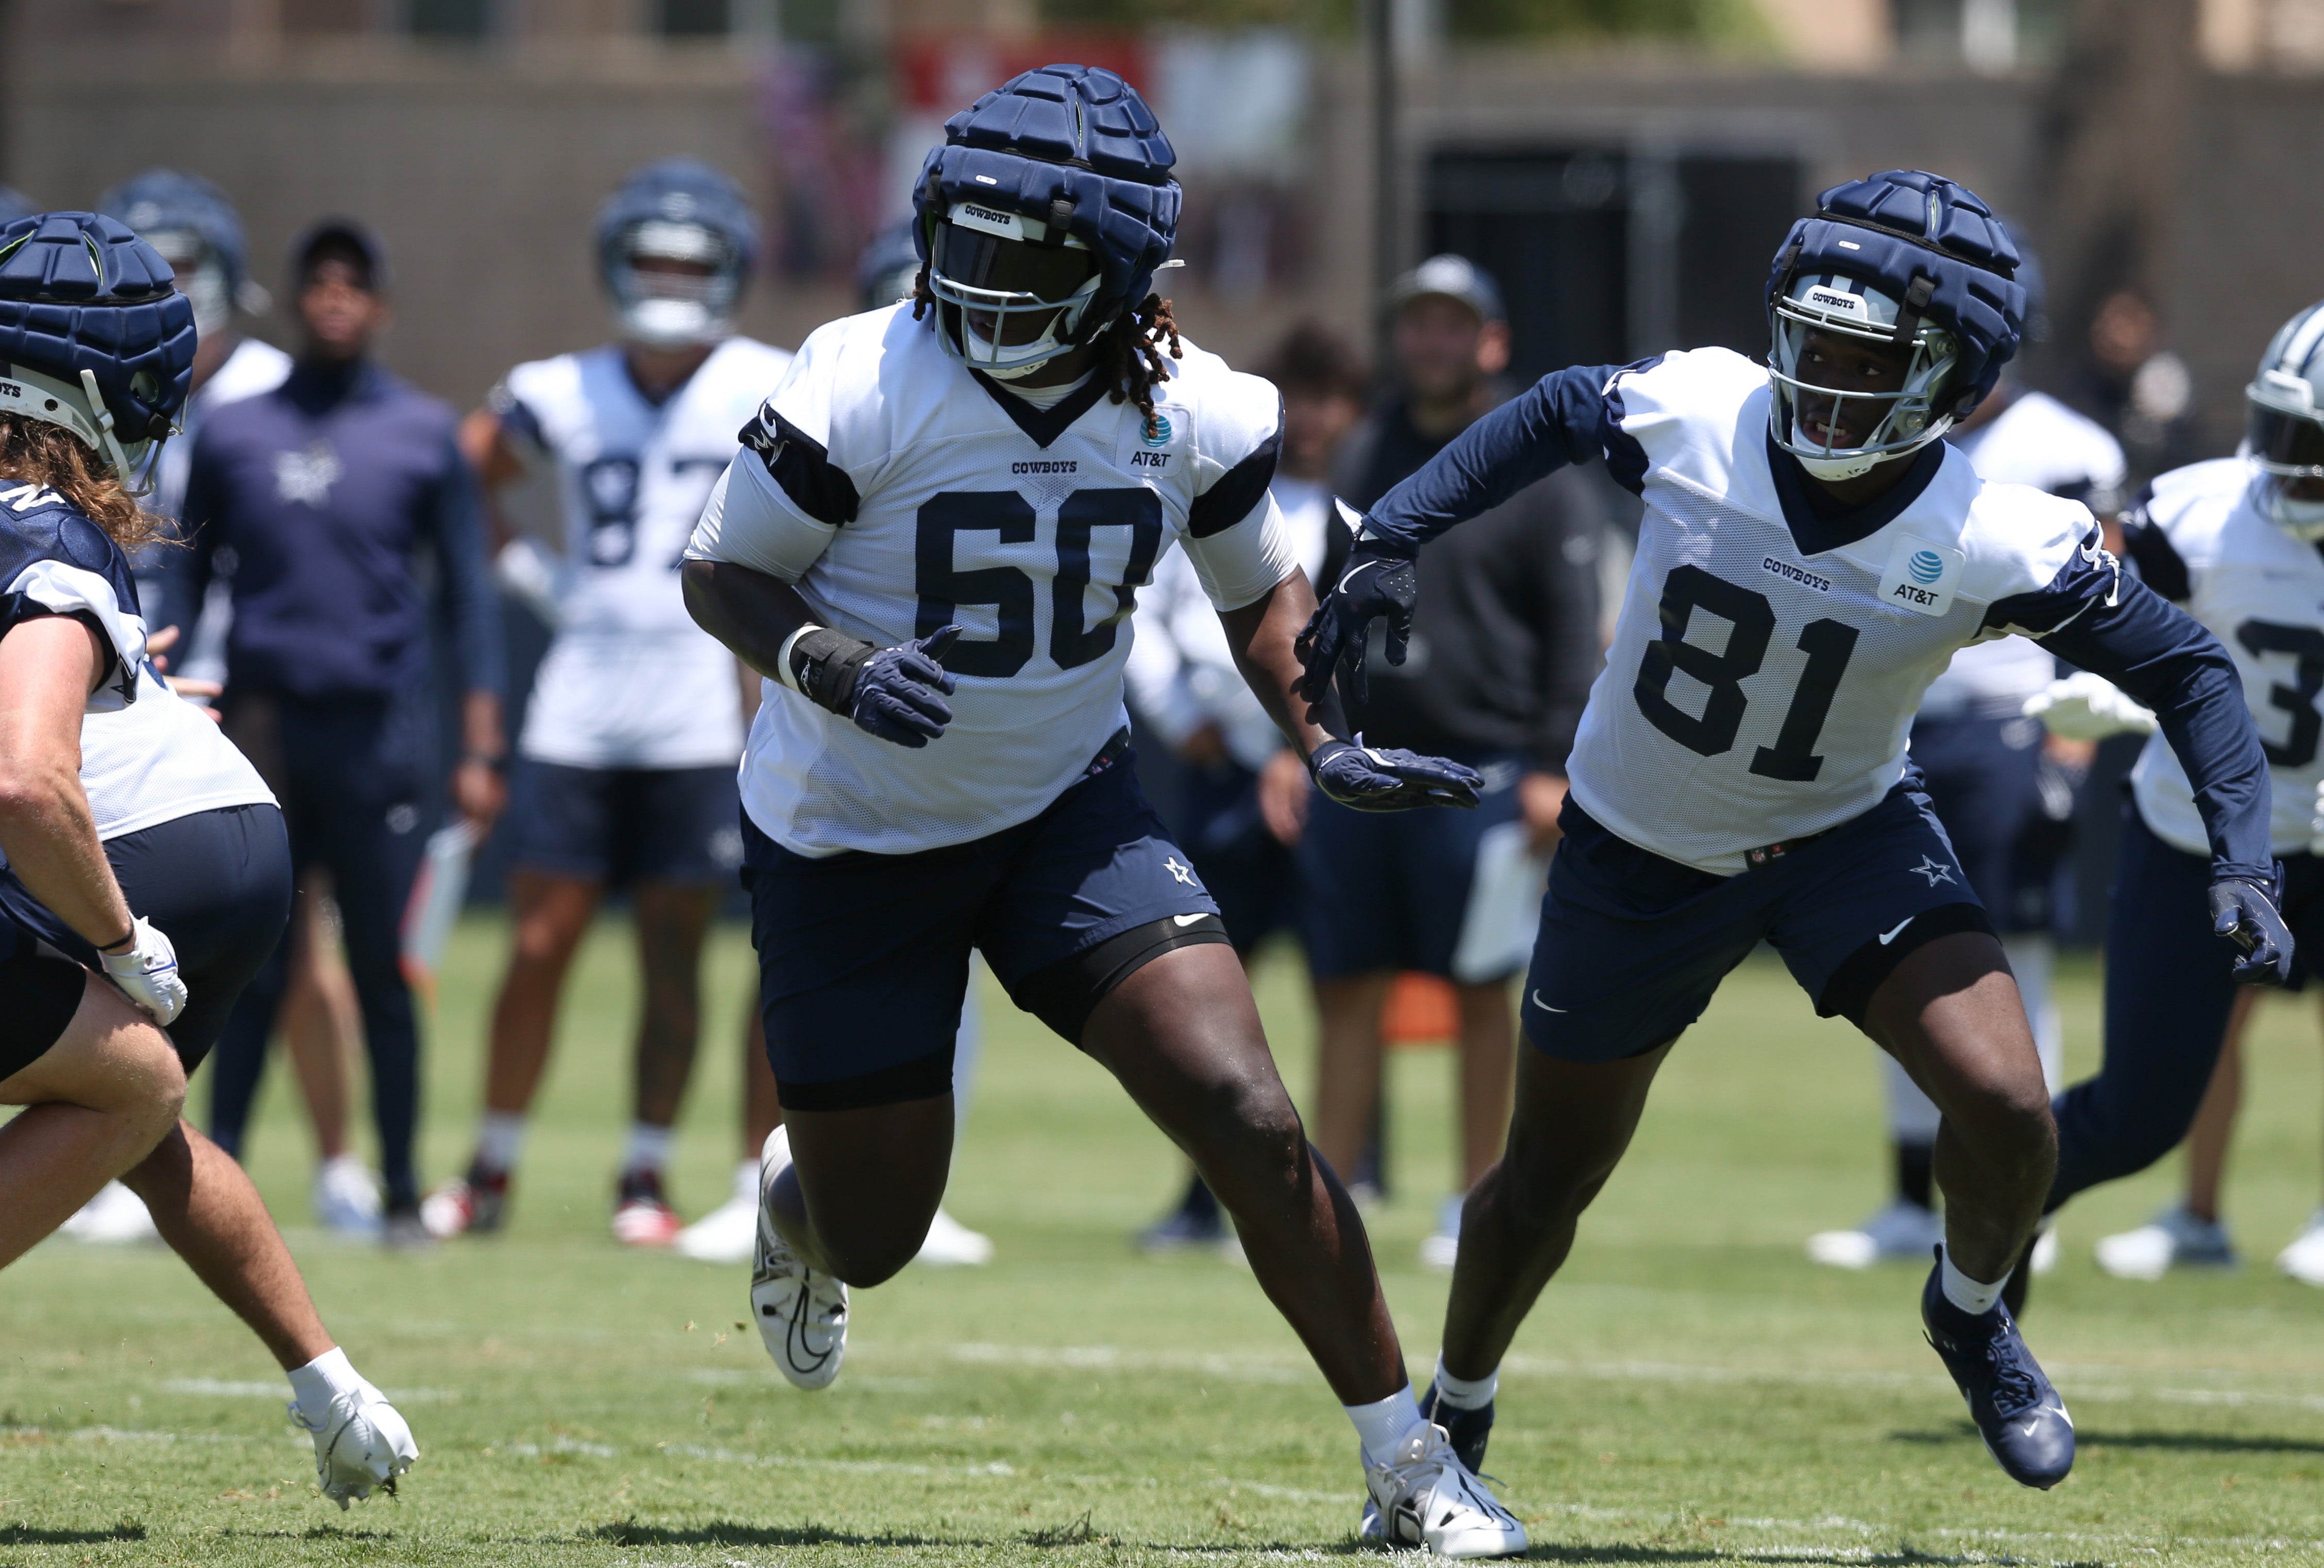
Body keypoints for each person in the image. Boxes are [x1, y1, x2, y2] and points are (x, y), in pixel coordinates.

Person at [1298, 169, 2285, 1500]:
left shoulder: (1990, 527)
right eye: (1812, 344)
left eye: (1865, 362)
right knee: (1543, 1175)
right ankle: (1452, 1415)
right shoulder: (1703, 410)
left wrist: (2240, 848)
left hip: (1843, 830)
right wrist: (1395, 530)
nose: (1822, 383)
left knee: (2008, 1103)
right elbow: (1551, 406)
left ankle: (1973, 1307)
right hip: (1639, 843)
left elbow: (2190, 668)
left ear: (1950, 381)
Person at [683, 64, 1525, 1558]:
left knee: (1247, 1107)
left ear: (1122, 269)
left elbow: (1261, 590)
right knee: (872, 1236)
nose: (984, 276)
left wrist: (1325, 740)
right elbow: (722, 574)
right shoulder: (858, 374)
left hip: (1065, 812)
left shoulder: (1190, 402)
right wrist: (831, 657)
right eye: (971, 235)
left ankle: (1411, 1465)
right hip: (854, 831)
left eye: (1033, 252)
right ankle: (796, 1200)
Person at [0, 207, 414, 1507]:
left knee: (127, 1100)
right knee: (133, 1099)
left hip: (138, 853)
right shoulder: (40, 528)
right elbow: (26, 770)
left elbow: (25, 758)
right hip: (170, 862)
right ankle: (328, 1381)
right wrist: (122, 935)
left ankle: (328, 1379)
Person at [418, 161, 791, 1248]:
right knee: (540, 938)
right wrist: (533, 573)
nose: (670, 279)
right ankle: (488, 1164)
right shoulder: (562, 385)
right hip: (581, 690)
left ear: (729, 272)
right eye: (653, 259)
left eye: (690, 261)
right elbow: (456, 476)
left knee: (675, 948)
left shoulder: (771, 381)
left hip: (696, 694)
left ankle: (644, 1169)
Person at [164, 217, 508, 1245]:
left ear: (381, 304)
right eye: (318, 282)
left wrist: (482, 745)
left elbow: (470, 604)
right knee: (251, 967)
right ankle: (211, 1168)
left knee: (381, 969)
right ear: (298, 297)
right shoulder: (235, 430)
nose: (335, 299)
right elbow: (189, 565)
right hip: (262, 730)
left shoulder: (422, 432)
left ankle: (402, 1190)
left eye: (355, 283)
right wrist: (173, 679)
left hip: (379, 738)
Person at [665, 218, 994, 1270]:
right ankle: (751, 1172)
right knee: (789, 978)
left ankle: (921, 1188)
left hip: (965, 752)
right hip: (826, 742)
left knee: (953, 983)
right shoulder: (836, 405)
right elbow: (740, 574)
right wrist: (764, 714)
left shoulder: (999, 428)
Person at [64, 168, 384, 1245]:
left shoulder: (278, 398)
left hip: (220, 685)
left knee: (298, 947)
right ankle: (118, 1147)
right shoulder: (77, 383)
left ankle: (338, 1161)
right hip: (94, 658)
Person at [1807, 230, 2124, 1272]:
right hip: (1892, 725)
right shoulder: (1882, 433)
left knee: (2013, 970)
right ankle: (1911, 1189)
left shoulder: (2064, 443)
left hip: (2007, 726)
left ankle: (2031, 1176)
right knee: (1897, 966)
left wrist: (2072, 747)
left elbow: (2107, 600)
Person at [2015, 299, 2324, 1286]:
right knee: (2138, 1114)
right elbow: (2108, 617)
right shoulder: (2201, 512)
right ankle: (1994, 1209)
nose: (2293, 463)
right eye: (2287, 432)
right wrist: (2099, 686)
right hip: (2195, 837)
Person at [1305, 254, 1602, 1269]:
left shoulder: (1534, 463)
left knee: (1484, 992)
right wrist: (1303, 738)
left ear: (1493, 341)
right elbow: (1318, 603)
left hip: (1483, 767)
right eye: (1416, 323)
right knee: (1345, 983)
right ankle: (1328, 1193)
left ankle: (1475, 1195)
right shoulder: (1364, 449)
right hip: (1363, 760)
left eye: (1453, 324)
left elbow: (1574, 625)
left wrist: (1552, 764)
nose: (1431, 341)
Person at [1125, 320, 1365, 1253]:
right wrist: (1189, 719)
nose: (1310, 418)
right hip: (1224, 771)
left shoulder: (1363, 509)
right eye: (1295, 395)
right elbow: (1146, 608)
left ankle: (1339, 1184)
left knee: (1343, 988)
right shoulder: (1218, 480)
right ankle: (1200, 1196)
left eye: (1329, 397)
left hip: (1322, 775)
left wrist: (1309, 750)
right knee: (1212, 999)